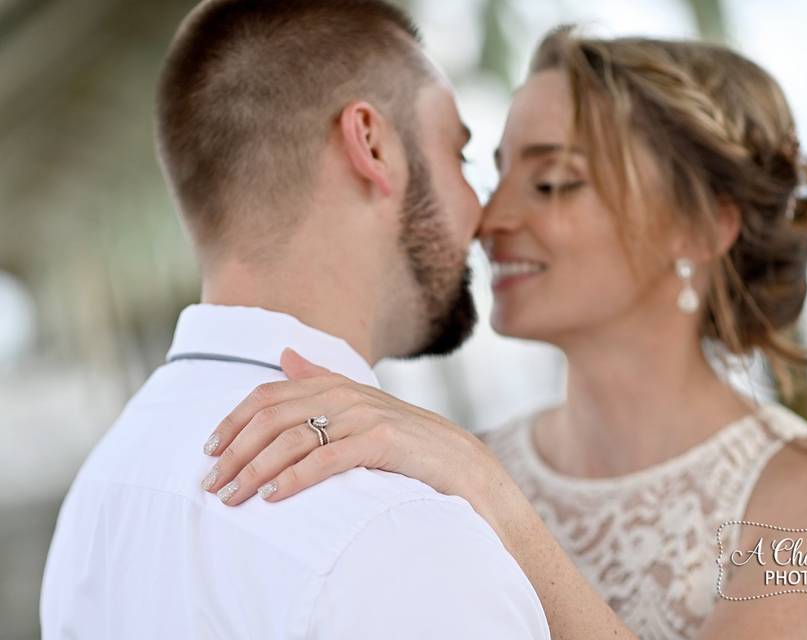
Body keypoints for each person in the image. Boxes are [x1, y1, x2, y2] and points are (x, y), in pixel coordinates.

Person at [201, 27, 807, 640]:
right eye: (497, 172)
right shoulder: (449, 468)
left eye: (551, 183)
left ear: (700, 226)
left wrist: (491, 492)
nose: (489, 217)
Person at [38, 1, 551, 638]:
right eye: (461, 157)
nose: (482, 210)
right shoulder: (397, 530)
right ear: (371, 144)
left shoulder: (100, 495)